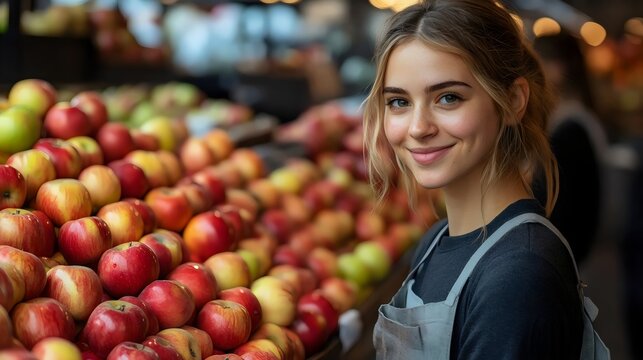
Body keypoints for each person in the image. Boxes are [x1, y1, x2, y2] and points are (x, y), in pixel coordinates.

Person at [362, 1, 608, 359]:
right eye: (399, 102)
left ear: (511, 101)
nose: (417, 128)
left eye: (448, 98)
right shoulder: (435, 240)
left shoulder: (518, 275)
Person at [532, 30, 610, 265]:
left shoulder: (571, 129)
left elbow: (564, 209)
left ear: (557, 68)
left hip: (572, 258)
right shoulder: (575, 119)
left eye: (536, 63)